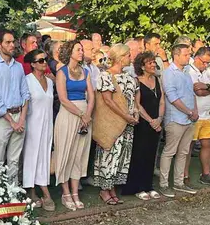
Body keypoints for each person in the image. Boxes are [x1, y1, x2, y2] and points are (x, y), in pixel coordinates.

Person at [92, 44, 138, 205]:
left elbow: (133, 98)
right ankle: (104, 189)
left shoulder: (129, 77)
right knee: (109, 153)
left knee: (122, 154)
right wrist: (125, 116)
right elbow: (108, 100)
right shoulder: (105, 76)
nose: (131, 58)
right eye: (128, 55)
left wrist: (135, 112)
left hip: (128, 122)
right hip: (112, 122)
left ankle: (112, 187)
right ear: (120, 57)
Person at [53, 41, 94, 210]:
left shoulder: (86, 71)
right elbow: (63, 99)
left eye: (82, 49)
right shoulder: (61, 72)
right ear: (70, 52)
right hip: (69, 114)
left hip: (85, 115)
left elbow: (91, 96)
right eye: (78, 49)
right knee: (66, 153)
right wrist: (81, 114)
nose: (81, 52)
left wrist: (88, 115)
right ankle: (66, 193)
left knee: (79, 154)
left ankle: (75, 192)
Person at [0, 30, 30, 183]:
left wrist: (21, 119)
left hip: (19, 116)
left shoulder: (18, 67)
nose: (12, 45)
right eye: (8, 42)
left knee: (14, 160)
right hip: (1, 119)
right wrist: (12, 122)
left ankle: (13, 192)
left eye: (13, 42)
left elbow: (25, 94)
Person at [122, 52, 164, 199]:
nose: (153, 65)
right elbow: (137, 104)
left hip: (157, 122)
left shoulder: (157, 79)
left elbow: (162, 101)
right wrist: (151, 121)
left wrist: (159, 119)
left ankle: (148, 185)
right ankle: (138, 187)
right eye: (150, 63)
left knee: (151, 155)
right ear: (142, 66)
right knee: (140, 154)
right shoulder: (137, 81)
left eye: (154, 62)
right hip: (143, 123)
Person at [159, 43, 199, 198]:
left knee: (183, 152)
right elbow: (172, 97)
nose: (189, 57)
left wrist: (194, 111)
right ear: (176, 55)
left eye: (189, 54)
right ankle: (164, 184)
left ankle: (179, 182)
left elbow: (191, 94)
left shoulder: (186, 72)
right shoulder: (169, 73)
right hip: (175, 118)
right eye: (186, 54)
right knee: (170, 151)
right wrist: (189, 111)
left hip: (189, 119)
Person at [22, 49, 55, 210]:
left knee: (44, 157)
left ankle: (42, 187)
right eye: (40, 60)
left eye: (45, 59)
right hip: (32, 124)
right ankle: (33, 191)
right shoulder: (27, 80)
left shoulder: (50, 82)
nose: (44, 63)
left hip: (47, 124)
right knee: (31, 157)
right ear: (33, 64)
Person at [185, 47, 210, 187]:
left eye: (208, 62)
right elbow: (197, 92)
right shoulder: (189, 70)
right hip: (193, 115)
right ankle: (184, 175)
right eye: (204, 62)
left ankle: (206, 174)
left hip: (207, 115)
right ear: (196, 58)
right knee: (188, 146)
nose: (206, 65)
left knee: (207, 144)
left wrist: (205, 86)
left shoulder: (208, 70)